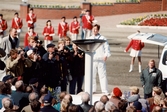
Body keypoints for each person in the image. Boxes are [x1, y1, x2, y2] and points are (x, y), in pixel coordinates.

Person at [88, 24, 111, 94]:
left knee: (103, 75)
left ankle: (104, 90)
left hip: (101, 59)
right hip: (93, 59)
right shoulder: (89, 38)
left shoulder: (103, 38)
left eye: (96, 29)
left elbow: (107, 48)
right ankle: (92, 90)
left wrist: (106, 55)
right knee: (92, 75)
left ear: (98, 30)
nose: (95, 31)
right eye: (93, 29)